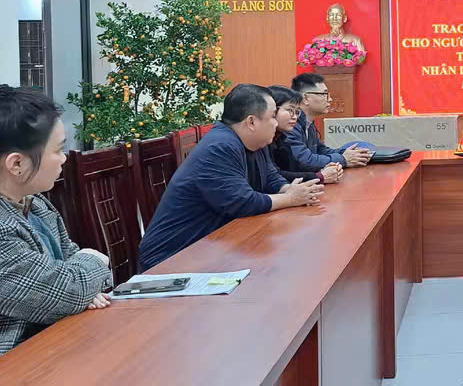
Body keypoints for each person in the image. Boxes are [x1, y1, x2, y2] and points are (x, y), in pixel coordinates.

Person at [138, 84, 324, 271]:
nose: (275, 124)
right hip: (171, 260)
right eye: (272, 117)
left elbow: (270, 178)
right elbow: (243, 202)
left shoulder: (253, 142)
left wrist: (290, 189)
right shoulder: (220, 146)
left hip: (210, 249)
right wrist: (291, 198)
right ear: (251, 122)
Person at [0, 86, 113, 356]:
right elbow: (70, 288)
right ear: (16, 164)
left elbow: (74, 276)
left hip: (58, 343)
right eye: (58, 150)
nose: (64, 158)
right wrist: (86, 274)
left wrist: (79, 287)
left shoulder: (36, 204)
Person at [285, 73, 372, 171]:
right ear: (305, 99)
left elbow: (320, 150)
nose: (330, 99)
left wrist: (347, 153)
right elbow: (304, 161)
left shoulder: (308, 122)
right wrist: (343, 159)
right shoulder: (291, 124)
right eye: (324, 94)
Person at [266, 85, 343, 184]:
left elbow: (292, 169)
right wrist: (319, 176)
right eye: (290, 110)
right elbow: (273, 176)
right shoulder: (265, 139)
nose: (294, 117)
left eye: (297, 112)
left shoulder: (281, 136)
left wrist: (323, 170)